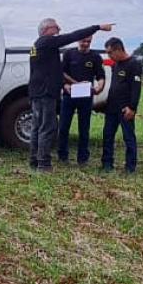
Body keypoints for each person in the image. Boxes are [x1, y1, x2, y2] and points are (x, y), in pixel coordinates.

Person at [29, 19, 114, 172]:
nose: (59, 29)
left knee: (37, 126)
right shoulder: (47, 42)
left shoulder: (36, 44)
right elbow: (73, 36)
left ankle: (34, 160)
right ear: (47, 29)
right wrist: (97, 27)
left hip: (37, 91)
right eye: (56, 27)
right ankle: (44, 164)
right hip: (45, 92)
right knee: (47, 128)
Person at [58, 36, 106, 165]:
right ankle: (62, 156)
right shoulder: (69, 54)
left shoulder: (95, 57)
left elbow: (100, 76)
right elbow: (60, 72)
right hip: (69, 95)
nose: (86, 44)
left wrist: (100, 86)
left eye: (88, 42)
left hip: (86, 96)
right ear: (77, 40)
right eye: (83, 41)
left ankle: (83, 158)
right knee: (63, 127)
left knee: (84, 129)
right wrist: (65, 85)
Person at [101, 37, 143, 174]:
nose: (109, 56)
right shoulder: (115, 64)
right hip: (111, 107)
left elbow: (136, 88)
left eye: (110, 52)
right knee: (107, 135)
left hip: (125, 108)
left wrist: (132, 107)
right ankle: (107, 164)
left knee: (128, 137)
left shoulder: (134, 64)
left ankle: (130, 167)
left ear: (119, 49)